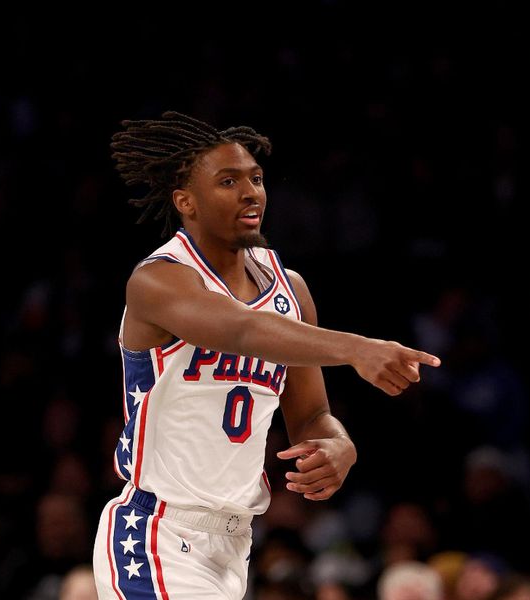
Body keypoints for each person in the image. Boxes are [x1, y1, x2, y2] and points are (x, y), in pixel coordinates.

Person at [92, 111, 441, 599]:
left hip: (236, 541)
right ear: (185, 201)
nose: (250, 192)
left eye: (256, 179)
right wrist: (358, 349)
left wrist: (339, 445)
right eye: (228, 181)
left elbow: (313, 414)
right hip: (157, 534)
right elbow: (240, 328)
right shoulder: (158, 279)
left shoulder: (289, 288)